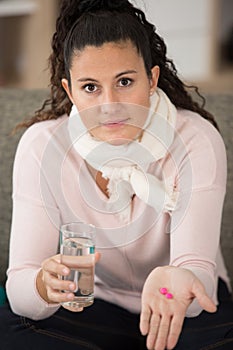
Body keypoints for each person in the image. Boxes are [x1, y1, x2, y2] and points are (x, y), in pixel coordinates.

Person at [0, 0, 232, 349]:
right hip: (94, 304)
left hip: (180, 308)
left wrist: (175, 281)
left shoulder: (195, 139)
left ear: (151, 78)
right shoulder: (41, 146)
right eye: (90, 87)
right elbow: (20, 284)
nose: (110, 106)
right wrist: (42, 287)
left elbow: (198, 283)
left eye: (124, 81)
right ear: (70, 90)